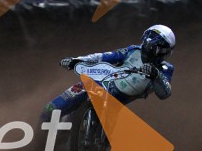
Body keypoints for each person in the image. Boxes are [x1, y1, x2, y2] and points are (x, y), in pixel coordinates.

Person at [41, 25, 175, 123]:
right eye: (156, 48)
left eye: (162, 49)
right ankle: (36, 143)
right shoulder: (132, 51)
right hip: (97, 84)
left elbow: (165, 93)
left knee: (111, 141)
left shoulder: (165, 68)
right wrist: (77, 60)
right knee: (51, 109)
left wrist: (156, 75)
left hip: (116, 104)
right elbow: (105, 56)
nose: (157, 52)